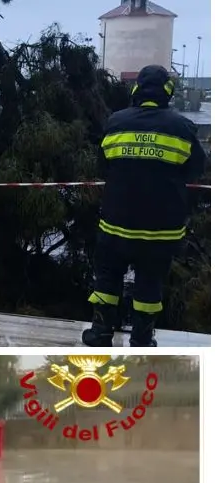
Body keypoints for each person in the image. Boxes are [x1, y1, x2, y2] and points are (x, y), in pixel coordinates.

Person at [83, 64, 207, 347]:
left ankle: (101, 332)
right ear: (168, 92)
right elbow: (195, 169)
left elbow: (103, 166)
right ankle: (141, 338)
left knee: (107, 278)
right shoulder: (182, 127)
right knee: (149, 285)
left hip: (115, 225)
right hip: (161, 232)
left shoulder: (115, 122)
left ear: (136, 89)